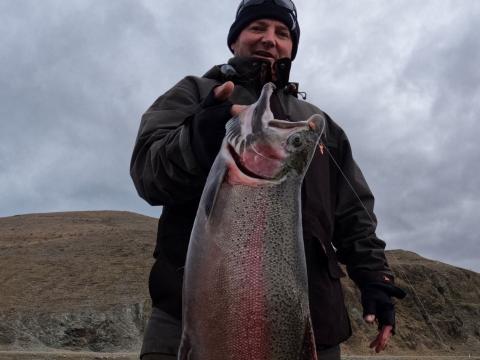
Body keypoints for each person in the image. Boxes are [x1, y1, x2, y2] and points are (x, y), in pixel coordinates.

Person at [130, 1, 406, 359]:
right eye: (257, 27)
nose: (269, 40)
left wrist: (375, 279)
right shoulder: (195, 93)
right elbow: (148, 174)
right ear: (235, 39)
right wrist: (198, 136)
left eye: (282, 33)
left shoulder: (319, 124)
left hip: (312, 327)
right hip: (191, 317)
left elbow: (353, 216)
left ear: (292, 46)